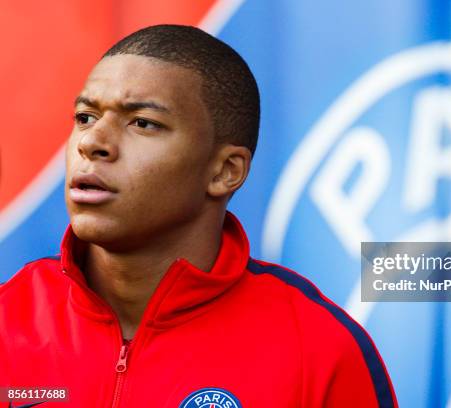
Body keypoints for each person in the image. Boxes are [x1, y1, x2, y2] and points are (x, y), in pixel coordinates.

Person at [0, 25, 397, 408]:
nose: (92, 143)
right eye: (86, 117)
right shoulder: (8, 322)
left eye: (143, 123)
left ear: (225, 171)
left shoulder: (318, 349)